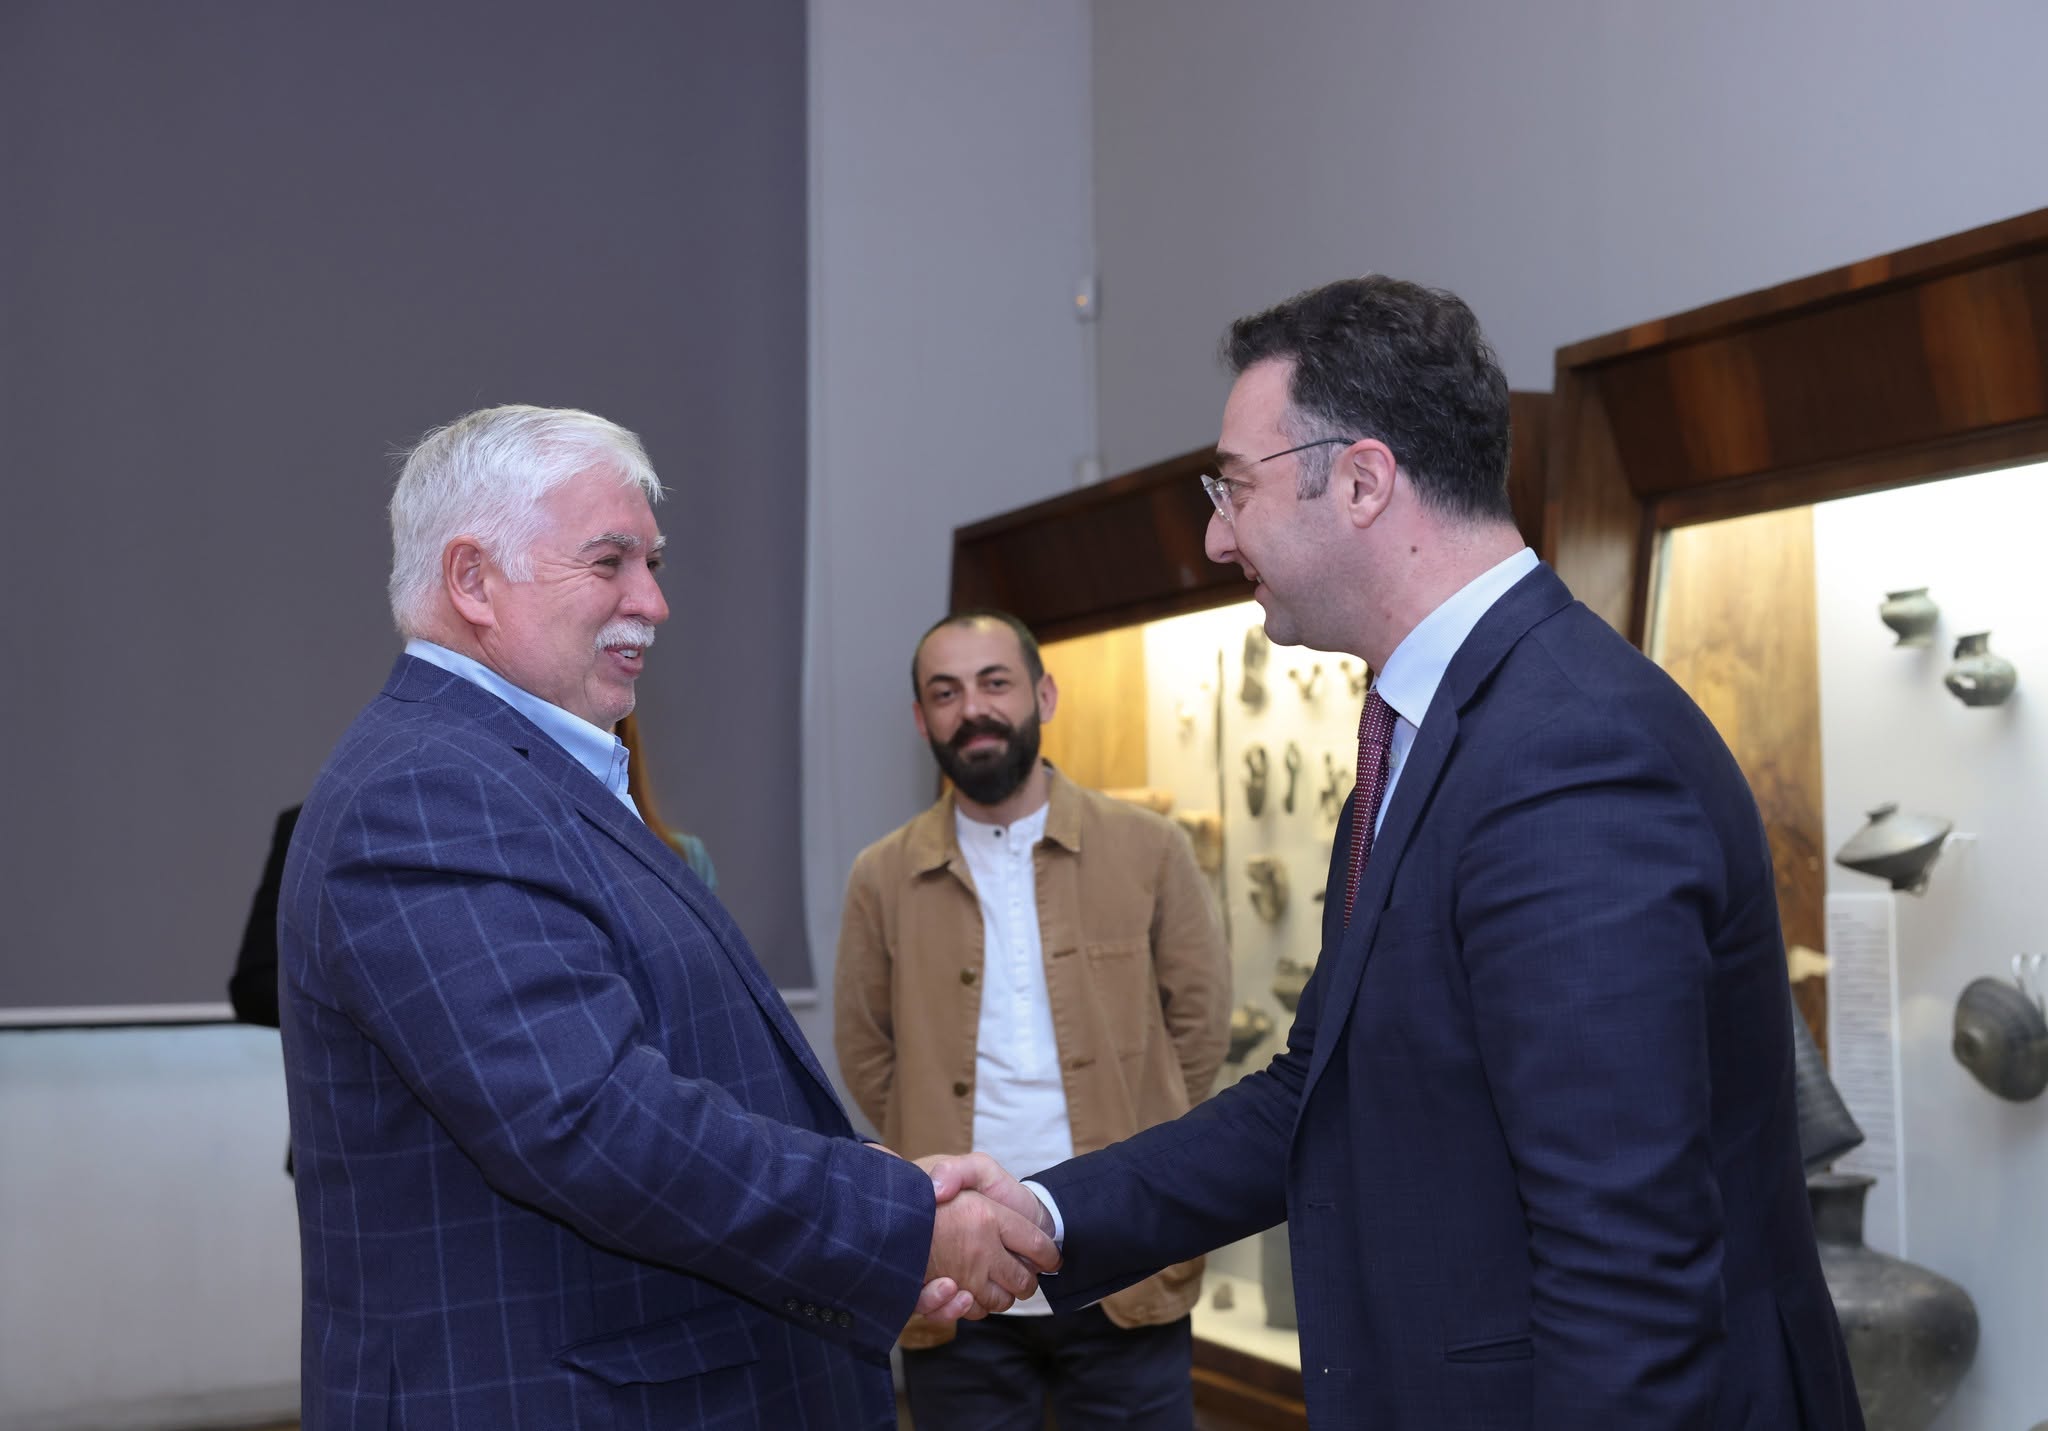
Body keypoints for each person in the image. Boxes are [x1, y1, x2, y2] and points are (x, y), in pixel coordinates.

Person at [932, 279, 1865, 1429]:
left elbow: (1624, 1270)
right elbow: (1311, 1096)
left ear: (1362, 482)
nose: (1216, 535)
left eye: (1233, 488)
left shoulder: (1568, 754)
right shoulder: (1436, 733)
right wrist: (1045, 1214)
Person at [276, 404, 1054, 1430]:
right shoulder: (428, 792)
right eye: (610, 562)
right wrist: (896, 1223)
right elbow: (588, 1120)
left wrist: (865, 1184)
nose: (653, 600)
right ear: (472, 580)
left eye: (652, 562)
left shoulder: (510, 773)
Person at [835, 610, 1231, 1430]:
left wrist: (1143, 1125)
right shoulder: (882, 875)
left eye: (995, 683)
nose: (972, 709)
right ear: (922, 719)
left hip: (1123, 1253)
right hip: (956, 1273)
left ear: (1043, 696)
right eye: (945, 692)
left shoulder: (1151, 848)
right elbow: (866, 1052)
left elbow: (1198, 1029)